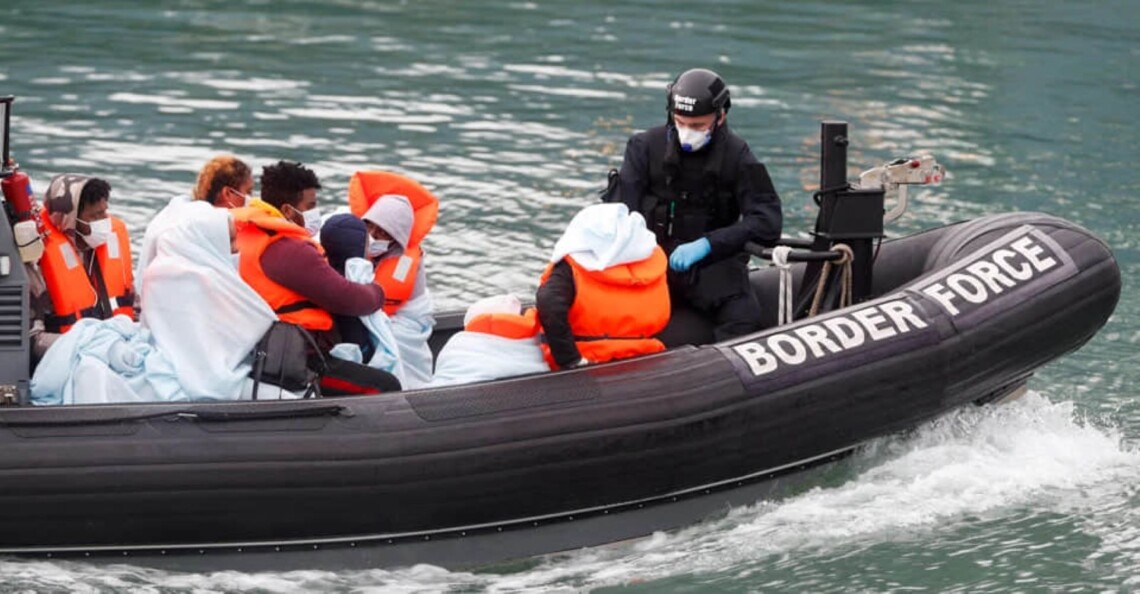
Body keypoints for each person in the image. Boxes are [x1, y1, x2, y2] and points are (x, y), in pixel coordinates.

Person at [31, 201, 279, 405]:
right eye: (231, 241)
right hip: (188, 373)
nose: (236, 249)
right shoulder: (185, 280)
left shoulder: (197, 275)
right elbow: (200, 362)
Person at [614, 68, 782, 341]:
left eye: (697, 126)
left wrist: (708, 245)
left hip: (710, 265)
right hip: (651, 263)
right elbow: (619, 214)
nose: (687, 133)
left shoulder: (738, 156)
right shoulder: (644, 147)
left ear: (720, 117)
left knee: (743, 315)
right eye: (680, 122)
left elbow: (767, 221)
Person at [233, 161, 383, 350]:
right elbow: (347, 298)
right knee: (376, 368)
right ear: (287, 210)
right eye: (310, 206)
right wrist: (379, 292)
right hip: (293, 347)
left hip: (252, 333)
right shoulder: (289, 249)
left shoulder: (243, 229)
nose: (314, 213)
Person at [536, 202, 670, 370]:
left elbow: (549, 304)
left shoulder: (570, 268)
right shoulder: (652, 261)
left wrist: (570, 360)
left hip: (587, 355)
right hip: (645, 351)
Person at [29, 174, 135, 362]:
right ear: (69, 219)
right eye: (94, 216)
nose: (104, 222)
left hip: (117, 346)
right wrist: (85, 346)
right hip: (68, 358)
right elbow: (32, 339)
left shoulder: (106, 241)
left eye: (104, 212)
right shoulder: (36, 261)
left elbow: (134, 306)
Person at [359, 193, 436, 388]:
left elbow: (414, 309)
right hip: (372, 313)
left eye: (382, 232)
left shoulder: (405, 262)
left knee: (397, 342)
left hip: (403, 320)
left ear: (396, 237)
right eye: (370, 226)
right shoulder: (352, 243)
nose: (373, 235)